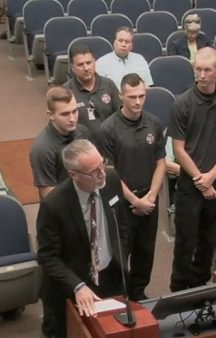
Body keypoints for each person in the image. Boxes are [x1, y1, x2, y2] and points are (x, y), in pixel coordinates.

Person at [36, 139, 129, 338]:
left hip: (109, 277)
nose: (102, 173)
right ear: (73, 175)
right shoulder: (54, 205)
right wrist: (77, 285)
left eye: (102, 164)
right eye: (94, 171)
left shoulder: (111, 180)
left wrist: (121, 257)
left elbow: (121, 224)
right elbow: (47, 257)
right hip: (72, 286)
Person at [167, 47, 216, 292]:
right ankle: (178, 289)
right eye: (198, 69)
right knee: (186, 242)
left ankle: (201, 286)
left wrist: (212, 176)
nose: (202, 74)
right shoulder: (182, 103)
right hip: (190, 184)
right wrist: (201, 179)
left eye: (207, 70)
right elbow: (178, 150)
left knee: (209, 240)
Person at [96, 73, 165, 301]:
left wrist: (152, 197)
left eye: (142, 96)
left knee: (145, 252)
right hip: (122, 204)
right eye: (132, 97)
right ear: (121, 96)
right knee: (120, 253)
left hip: (150, 199)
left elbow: (160, 162)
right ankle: (119, 297)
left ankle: (139, 293)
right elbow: (110, 173)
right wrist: (136, 202)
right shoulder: (108, 129)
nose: (138, 102)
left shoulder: (153, 123)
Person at [30, 86, 91, 199]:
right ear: (50, 115)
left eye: (74, 111)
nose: (72, 119)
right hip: (63, 210)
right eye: (65, 114)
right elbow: (49, 195)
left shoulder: (83, 132)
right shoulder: (42, 149)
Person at [64, 44, 121, 133]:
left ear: (94, 62)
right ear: (72, 68)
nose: (86, 68)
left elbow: (120, 116)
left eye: (89, 63)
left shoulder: (108, 84)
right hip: (81, 144)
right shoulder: (66, 91)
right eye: (80, 65)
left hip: (109, 142)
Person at [96, 27, 154, 91]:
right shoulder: (101, 63)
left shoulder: (140, 59)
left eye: (127, 42)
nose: (123, 44)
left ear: (131, 46)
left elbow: (147, 86)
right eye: (120, 41)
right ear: (114, 43)